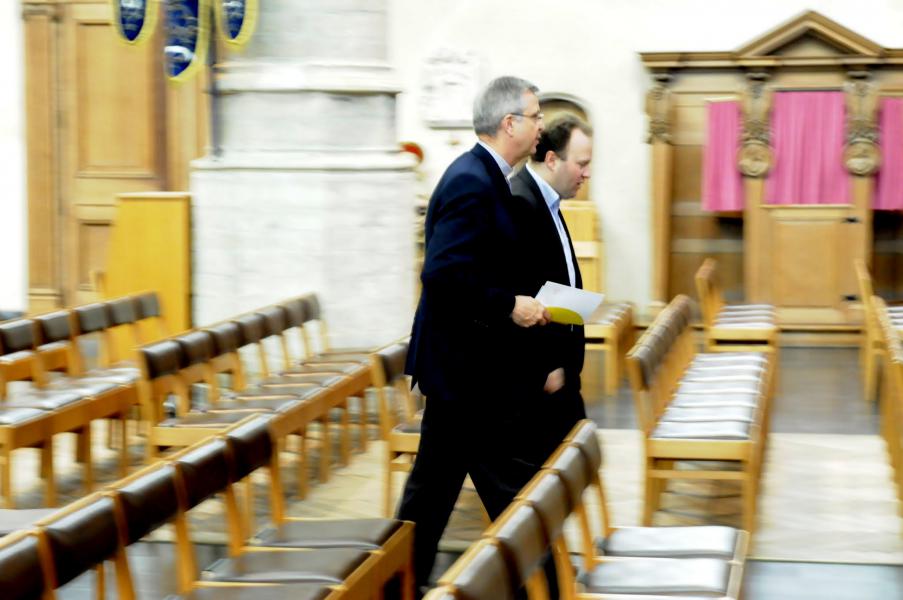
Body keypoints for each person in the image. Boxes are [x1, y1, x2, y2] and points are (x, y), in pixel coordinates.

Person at [398, 76, 554, 593]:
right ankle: (550, 583)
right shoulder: (471, 179)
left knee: (434, 492)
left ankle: (397, 584)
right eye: (535, 117)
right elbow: (443, 273)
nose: (541, 127)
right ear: (509, 123)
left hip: (467, 369)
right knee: (499, 485)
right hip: (464, 370)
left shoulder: (489, 177)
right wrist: (511, 305)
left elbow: (480, 264)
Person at [509, 114, 594, 461]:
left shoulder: (547, 200)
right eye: (582, 164)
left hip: (561, 367)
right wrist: (545, 368)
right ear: (552, 159)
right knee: (545, 483)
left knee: (571, 470)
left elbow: (554, 279)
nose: (587, 174)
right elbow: (517, 292)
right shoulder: (520, 201)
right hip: (542, 377)